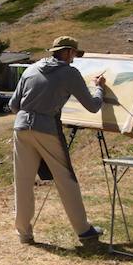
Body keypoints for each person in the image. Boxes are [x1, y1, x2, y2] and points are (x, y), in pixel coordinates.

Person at [8, 36, 106, 245]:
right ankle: (84, 230)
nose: (74, 59)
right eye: (74, 54)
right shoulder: (69, 73)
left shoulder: (31, 69)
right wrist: (99, 88)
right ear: (69, 52)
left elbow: (13, 105)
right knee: (66, 179)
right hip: (47, 129)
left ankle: (24, 233)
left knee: (23, 182)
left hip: (21, 127)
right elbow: (93, 106)